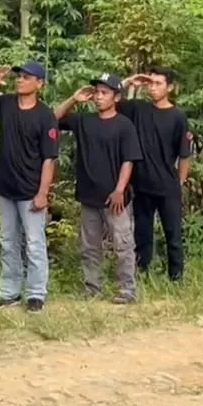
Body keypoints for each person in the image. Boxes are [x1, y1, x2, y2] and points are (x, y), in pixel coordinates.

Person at [0, 61, 58, 311]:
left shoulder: (45, 116)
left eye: (27, 77)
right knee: (8, 241)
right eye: (19, 76)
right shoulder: (6, 104)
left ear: (39, 83)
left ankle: (36, 294)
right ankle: (9, 293)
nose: (20, 80)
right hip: (5, 187)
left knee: (34, 243)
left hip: (31, 191)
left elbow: (49, 159)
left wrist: (43, 193)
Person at [54, 73, 142, 304]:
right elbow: (53, 117)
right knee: (89, 246)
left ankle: (127, 289)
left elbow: (129, 159)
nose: (99, 97)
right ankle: (92, 288)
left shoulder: (124, 125)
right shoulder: (84, 121)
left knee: (122, 243)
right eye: (97, 92)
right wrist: (74, 99)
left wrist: (120, 189)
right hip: (88, 195)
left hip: (116, 197)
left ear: (116, 97)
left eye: (104, 93)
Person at [121, 68, 193, 281]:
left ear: (169, 87)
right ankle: (142, 276)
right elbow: (114, 103)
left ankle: (176, 278)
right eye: (150, 83)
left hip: (168, 185)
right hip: (142, 185)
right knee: (142, 235)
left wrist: (180, 182)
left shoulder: (177, 116)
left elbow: (185, 153)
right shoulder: (139, 109)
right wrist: (129, 83)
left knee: (173, 235)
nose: (153, 87)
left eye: (158, 83)